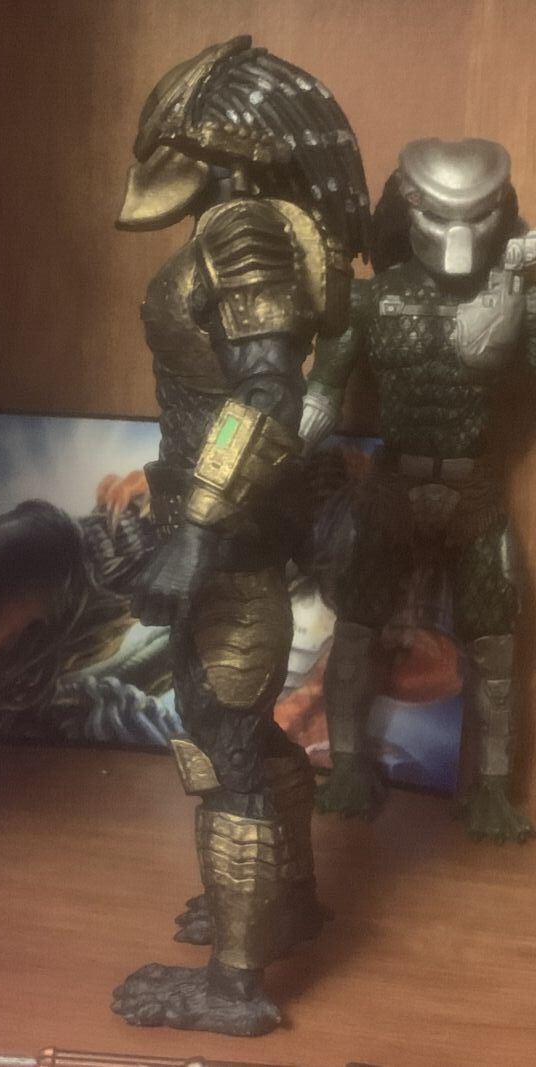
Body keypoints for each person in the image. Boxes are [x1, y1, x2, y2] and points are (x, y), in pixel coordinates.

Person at [112, 35, 370, 1035]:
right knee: (247, 732)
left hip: (230, 537)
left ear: (224, 146)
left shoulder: (242, 228)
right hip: (234, 525)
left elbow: (266, 392)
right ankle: (286, 901)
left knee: (220, 746)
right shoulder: (253, 225)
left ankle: (231, 985)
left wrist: (196, 530)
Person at [300, 137, 535, 843]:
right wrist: (273, 448)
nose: (457, 238)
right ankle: (347, 767)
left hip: (475, 493)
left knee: (497, 645)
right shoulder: (370, 301)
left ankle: (490, 790)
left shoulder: (517, 299)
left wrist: (520, 295)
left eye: (477, 217)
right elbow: (320, 397)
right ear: (410, 209)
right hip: (393, 488)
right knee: (355, 629)